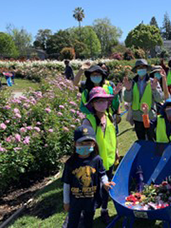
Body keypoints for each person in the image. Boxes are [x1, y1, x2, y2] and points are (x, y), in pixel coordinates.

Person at [62, 125, 115, 228]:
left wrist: (105, 183)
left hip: (91, 201)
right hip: (75, 202)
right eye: (81, 143)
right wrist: (66, 202)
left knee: (88, 223)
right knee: (72, 223)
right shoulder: (70, 163)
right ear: (75, 144)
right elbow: (66, 184)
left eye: (88, 143)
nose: (85, 146)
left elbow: (102, 174)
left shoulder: (97, 160)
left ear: (94, 144)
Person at [81, 87, 119, 224]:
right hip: (94, 163)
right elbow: (83, 144)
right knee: (92, 190)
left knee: (106, 187)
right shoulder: (88, 121)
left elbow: (112, 135)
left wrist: (116, 151)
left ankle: (104, 210)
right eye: (98, 101)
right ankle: (84, 215)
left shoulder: (108, 116)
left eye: (104, 101)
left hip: (108, 160)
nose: (102, 104)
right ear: (92, 104)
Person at [123, 59, 164, 141]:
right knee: (141, 140)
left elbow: (159, 98)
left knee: (151, 139)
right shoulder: (132, 82)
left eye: (143, 67)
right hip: (137, 117)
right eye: (139, 67)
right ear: (136, 70)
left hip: (150, 116)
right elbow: (127, 99)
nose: (141, 69)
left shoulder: (153, 82)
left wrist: (154, 89)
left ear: (146, 69)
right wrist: (128, 90)